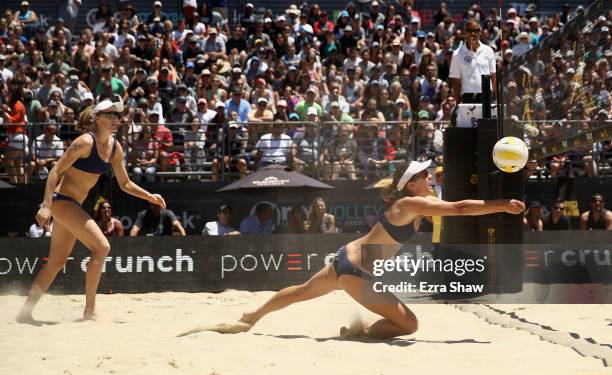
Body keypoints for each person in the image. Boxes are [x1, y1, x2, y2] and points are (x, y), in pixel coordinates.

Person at [233, 160, 524, 339]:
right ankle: (363, 332)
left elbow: (450, 207)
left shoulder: (414, 204)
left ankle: (252, 316)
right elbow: (459, 209)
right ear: (410, 184)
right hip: (356, 272)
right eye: (424, 174)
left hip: (346, 257)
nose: (429, 176)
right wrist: (502, 205)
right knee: (410, 326)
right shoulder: (411, 204)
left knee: (300, 292)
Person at [16, 99, 166, 323]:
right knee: (102, 246)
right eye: (109, 115)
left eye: (116, 115)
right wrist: (46, 206)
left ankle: (24, 313)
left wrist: (149, 196)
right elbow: (55, 172)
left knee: (56, 262)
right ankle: (90, 311)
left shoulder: (115, 148)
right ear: (96, 118)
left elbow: (125, 184)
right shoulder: (85, 142)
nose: (115, 119)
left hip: (72, 205)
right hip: (61, 200)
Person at [449, 20, 496, 104]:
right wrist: (458, 102)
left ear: (480, 32)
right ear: (465, 33)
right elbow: (455, 81)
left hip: (487, 95)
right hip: (468, 97)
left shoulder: (489, 50)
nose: (473, 33)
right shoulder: (457, 54)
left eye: (476, 30)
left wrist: (496, 97)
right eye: (469, 30)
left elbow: (493, 75)